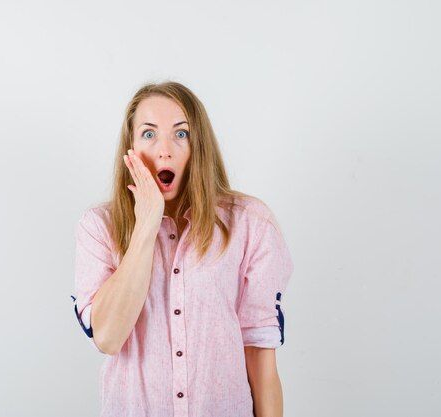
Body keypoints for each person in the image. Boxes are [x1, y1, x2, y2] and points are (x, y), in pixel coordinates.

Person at [70, 81, 294, 417]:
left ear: (198, 145)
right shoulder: (98, 227)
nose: (165, 150)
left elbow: (260, 361)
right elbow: (108, 337)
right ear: (129, 147)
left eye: (181, 134)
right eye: (148, 134)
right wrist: (146, 225)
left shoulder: (250, 224)